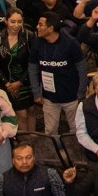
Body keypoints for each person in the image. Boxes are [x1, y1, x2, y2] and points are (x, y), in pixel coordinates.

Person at [28, 11, 88, 140]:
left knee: (76, 129)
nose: (37, 27)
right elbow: (33, 68)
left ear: (50, 28)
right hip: (49, 96)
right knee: (50, 131)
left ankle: (74, 151)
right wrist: (36, 92)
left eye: (40, 24)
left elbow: (82, 68)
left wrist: (81, 91)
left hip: (72, 96)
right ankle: (54, 151)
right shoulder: (37, 43)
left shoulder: (71, 43)